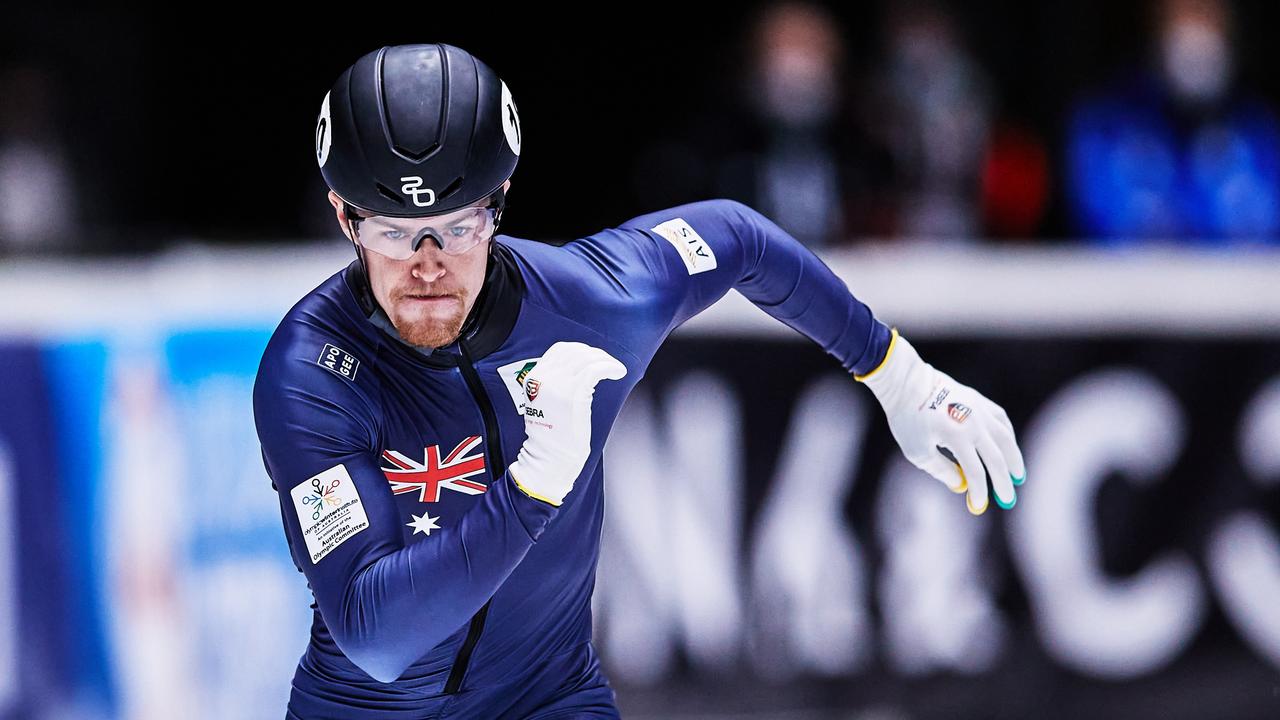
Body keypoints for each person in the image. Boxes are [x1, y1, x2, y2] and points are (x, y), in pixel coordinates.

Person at [252, 43, 1027, 719]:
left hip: (549, 700)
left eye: (457, 227)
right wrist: (532, 488)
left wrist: (897, 375)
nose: (426, 264)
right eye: (392, 233)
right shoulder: (312, 370)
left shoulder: (593, 301)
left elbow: (737, 236)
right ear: (344, 218)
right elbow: (375, 635)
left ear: (500, 205)